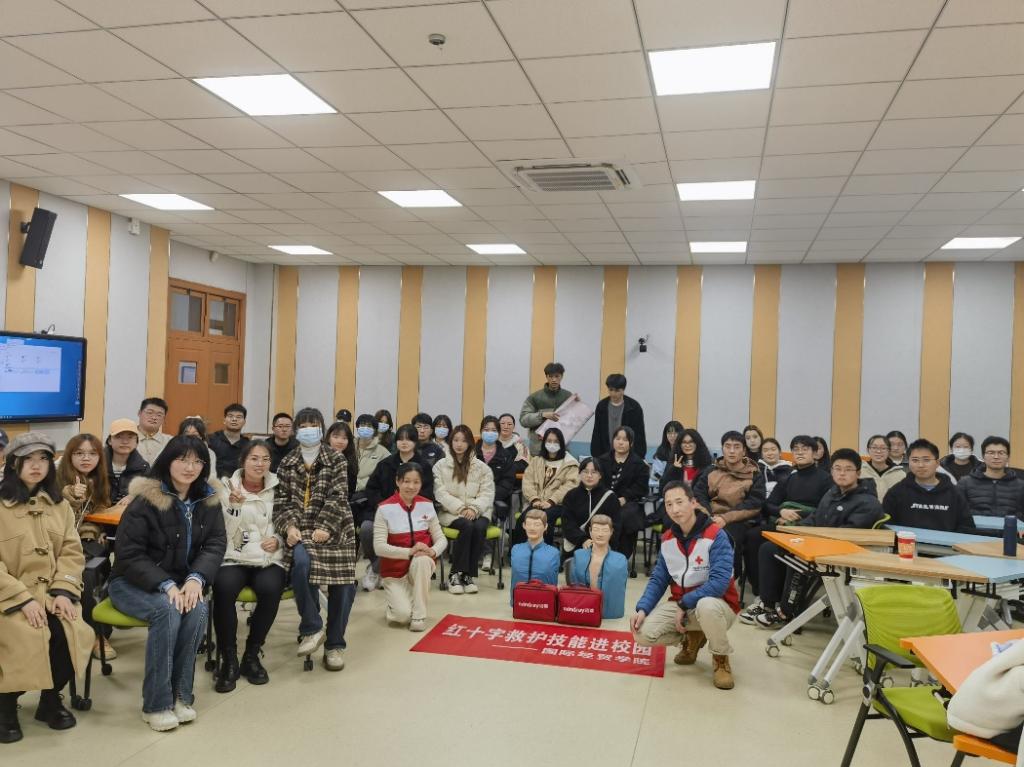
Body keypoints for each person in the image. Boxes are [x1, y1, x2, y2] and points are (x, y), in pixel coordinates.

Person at [108, 435, 226, 732]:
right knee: (167, 609)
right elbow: (129, 554)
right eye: (182, 459)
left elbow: (215, 543)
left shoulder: (208, 499)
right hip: (131, 583)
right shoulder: (146, 500)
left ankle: (181, 697)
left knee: (198, 609)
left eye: (197, 461)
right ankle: (156, 705)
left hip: (182, 582)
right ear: (167, 461)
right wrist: (166, 585)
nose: (190, 467)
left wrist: (197, 578)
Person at [0, 432, 94, 744]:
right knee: (23, 635)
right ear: (13, 464)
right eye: (28, 459)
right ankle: (5, 706)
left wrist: (62, 591)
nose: (36, 465)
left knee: (71, 631)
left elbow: (71, 552)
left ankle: (50, 699)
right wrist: (22, 599)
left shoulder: (59, 506)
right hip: (8, 596)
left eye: (42, 458)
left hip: (51, 593)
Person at [752, 449, 883, 630]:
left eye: (848, 469)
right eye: (837, 469)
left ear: (858, 473)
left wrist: (808, 539)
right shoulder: (832, 493)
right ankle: (767, 604)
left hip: (841, 554)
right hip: (818, 544)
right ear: (832, 471)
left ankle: (786, 612)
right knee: (769, 548)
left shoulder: (868, 502)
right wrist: (795, 531)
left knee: (796, 558)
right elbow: (815, 519)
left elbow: (849, 534)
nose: (842, 473)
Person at [632, 480, 740, 690]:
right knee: (642, 633)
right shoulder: (668, 539)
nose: (675, 509)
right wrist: (643, 608)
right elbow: (658, 579)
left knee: (706, 606)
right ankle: (692, 638)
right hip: (683, 604)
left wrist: (684, 603)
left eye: (679, 502)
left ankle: (720, 657)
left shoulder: (716, 535)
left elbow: (719, 583)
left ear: (693, 503)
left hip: (719, 605)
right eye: (669, 504)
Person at [273, 408, 357, 673]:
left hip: (336, 527)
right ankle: (311, 627)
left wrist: (325, 526)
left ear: (322, 429)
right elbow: (281, 501)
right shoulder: (286, 462)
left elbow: (339, 495)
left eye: (314, 424)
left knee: (343, 586)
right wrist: (289, 527)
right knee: (300, 565)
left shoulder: (336, 459)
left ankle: (335, 645)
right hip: (300, 530)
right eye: (304, 425)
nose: (309, 429)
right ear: (296, 430)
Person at [212, 440, 286, 693]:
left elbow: (290, 519)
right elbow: (223, 532)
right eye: (254, 458)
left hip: (268, 557)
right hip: (235, 555)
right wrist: (234, 506)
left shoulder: (280, 487)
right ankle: (229, 658)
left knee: (271, 588)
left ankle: (252, 654)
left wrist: (279, 539)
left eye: (265, 459)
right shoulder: (226, 488)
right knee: (223, 587)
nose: (259, 464)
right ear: (243, 461)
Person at [739, 435, 832, 625]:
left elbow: (824, 510)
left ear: (815, 453)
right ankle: (762, 594)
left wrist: (798, 516)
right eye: (796, 449)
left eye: (805, 449)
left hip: (807, 528)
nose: (800, 452)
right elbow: (768, 504)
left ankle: (770, 601)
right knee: (753, 536)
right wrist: (782, 511)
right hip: (784, 523)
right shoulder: (791, 477)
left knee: (769, 548)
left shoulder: (825, 479)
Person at [57, 433, 115, 659]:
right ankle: (93, 636)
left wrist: (98, 530)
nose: (86, 458)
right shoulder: (56, 480)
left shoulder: (98, 480)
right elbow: (58, 519)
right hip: (59, 544)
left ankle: (100, 631)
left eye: (92, 453)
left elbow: (99, 510)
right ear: (69, 456)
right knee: (88, 574)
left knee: (106, 567)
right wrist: (71, 496)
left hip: (87, 541)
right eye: (79, 453)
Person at [374, 463, 446, 631]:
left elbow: (441, 539)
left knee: (423, 560)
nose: (411, 486)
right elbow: (379, 547)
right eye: (406, 481)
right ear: (398, 481)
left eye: (416, 482)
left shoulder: (427, 505)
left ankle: (419, 615)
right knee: (401, 616)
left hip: (419, 568)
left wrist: (432, 551)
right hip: (394, 573)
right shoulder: (384, 509)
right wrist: (409, 552)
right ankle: (398, 604)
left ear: (421, 484)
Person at [362, 425, 435, 591]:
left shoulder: (424, 466)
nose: (404, 442)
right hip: (384, 512)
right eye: (400, 439)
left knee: (402, 532)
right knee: (367, 529)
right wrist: (385, 508)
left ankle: (380, 570)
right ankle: (377, 566)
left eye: (409, 439)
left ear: (415, 442)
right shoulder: (385, 464)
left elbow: (427, 493)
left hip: (412, 514)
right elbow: (371, 489)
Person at [692, 430, 766, 594]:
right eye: (728, 446)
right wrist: (709, 516)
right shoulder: (711, 470)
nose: (732, 451)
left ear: (744, 451)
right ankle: (697, 581)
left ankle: (726, 583)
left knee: (727, 537)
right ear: (722, 449)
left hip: (738, 519)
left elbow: (755, 503)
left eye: (736, 447)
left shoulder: (754, 474)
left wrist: (725, 518)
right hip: (710, 516)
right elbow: (698, 494)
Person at [433, 425, 495, 594]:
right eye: (456, 440)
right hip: (451, 512)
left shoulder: (482, 467)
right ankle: (455, 574)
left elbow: (487, 493)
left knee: (479, 527)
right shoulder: (440, 466)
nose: (459, 444)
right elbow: (440, 492)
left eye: (464, 441)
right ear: (451, 442)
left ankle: (467, 575)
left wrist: (474, 509)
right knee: (467, 526)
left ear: (470, 444)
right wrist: (460, 508)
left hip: (478, 511)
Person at [883, 439, 976, 533]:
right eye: (915, 460)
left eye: (926, 460)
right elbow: (886, 526)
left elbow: (967, 527)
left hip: (945, 542)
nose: (920, 465)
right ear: (909, 463)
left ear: (937, 463)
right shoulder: (896, 492)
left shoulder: (954, 494)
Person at [597, 425, 650, 570]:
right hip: (604, 500)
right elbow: (597, 483)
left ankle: (619, 557)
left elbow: (641, 488)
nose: (620, 442)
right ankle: (597, 553)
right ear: (613, 440)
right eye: (618, 438)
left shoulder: (639, 464)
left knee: (624, 516)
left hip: (629, 503)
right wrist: (608, 498)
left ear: (631, 443)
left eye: (625, 440)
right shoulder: (601, 460)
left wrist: (624, 498)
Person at [514, 427, 579, 545]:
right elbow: (528, 481)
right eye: (549, 441)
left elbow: (570, 486)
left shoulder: (570, 463)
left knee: (544, 519)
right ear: (544, 443)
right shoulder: (536, 461)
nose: (552, 444)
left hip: (559, 504)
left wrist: (551, 501)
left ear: (562, 443)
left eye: (556, 441)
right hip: (537, 502)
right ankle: (518, 552)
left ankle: (545, 552)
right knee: (523, 519)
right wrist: (534, 499)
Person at [569, 514, 628, 619]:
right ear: (590, 532)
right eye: (596, 530)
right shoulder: (578, 556)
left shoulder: (620, 560)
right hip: (582, 610)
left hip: (610, 614)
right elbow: (573, 585)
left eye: (605, 530)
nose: (600, 534)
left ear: (611, 532)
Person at [561, 457, 617, 555]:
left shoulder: (610, 497)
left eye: (594, 472)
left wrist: (600, 542)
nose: (589, 475)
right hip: (576, 545)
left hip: (602, 546)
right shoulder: (571, 496)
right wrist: (583, 540)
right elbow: (567, 524)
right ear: (579, 474)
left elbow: (615, 526)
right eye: (585, 472)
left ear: (600, 475)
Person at [958, 436, 1024, 518]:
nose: (996, 457)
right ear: (983, 456)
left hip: (1009, 526)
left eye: (1001, 453)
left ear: (1008, 457)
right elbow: (957, 512)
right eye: (991, 452)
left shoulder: (1021, 486)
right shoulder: (965, 483)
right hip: (974, 526)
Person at [520, 362, 574, 456]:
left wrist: (578, 406)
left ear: (561, 376)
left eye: (557, 376)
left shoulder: (568, 396)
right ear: (546, 377)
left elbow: (574, 421)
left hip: (561, 450)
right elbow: (523, 420)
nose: (554, 379)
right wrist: (542, 415)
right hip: (538, 450)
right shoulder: (535, 397)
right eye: (551, 376)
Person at [591, 373, 647, 459]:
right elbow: (597, 432)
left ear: (623, 390)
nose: (613, 393)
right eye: (611, 390)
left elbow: (639, 434)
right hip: (605, 454)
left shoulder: (634, 407)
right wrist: (596, 455)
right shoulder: (601, 406)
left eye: (617, 390)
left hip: (628, 456)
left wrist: (638, 456)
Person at [509, 509, 560, 596]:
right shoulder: (516, 549)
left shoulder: (553, 553)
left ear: (545, 526)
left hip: (545, 601)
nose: (532, 528)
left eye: (537, 525)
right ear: (524, 525)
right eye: (529, 524)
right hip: (519, 601)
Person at [105, 418, 150, 505]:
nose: (125, 442)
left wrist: (134, 497)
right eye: (119, 437)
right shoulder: (98, 463)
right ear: (110, 440)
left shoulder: (143, 467)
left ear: (136, 442)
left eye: (130, 437)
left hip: (130, 512)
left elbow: (150, 491)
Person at [208, 403, 251, 479]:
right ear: (224, 420)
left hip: (239, 482)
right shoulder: (211, 439)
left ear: (244, 422)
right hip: (214, 482)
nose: (234, 419)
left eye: (239, 417)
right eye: (230, 416)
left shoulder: (248, 445)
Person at [861, 434, 906, 501]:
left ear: (889, 451)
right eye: (874, 447)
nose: (878, 451)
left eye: (883, 448)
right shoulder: (860, 472)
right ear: (868, 450)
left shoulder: (900, 475)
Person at [354, 414, 391, 492]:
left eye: (369, 426)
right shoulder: (349, 447)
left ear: (374, 430)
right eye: (362, 425)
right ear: (357, 427)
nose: (365, 428)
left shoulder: (383, 452)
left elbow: (383, 477)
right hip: (346, 489)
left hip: (367, 492)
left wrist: (358, 485)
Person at [325, 421, 358, 497]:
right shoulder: (320, 458)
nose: (340, 441)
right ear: (328, 438)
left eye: (344, 438)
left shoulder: (350, 462)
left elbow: (350, 491)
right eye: (335, 437)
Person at [136, 397, 171, 465]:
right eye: (150, 413)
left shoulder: (170, 442)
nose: (154, 417)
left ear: (164, 419)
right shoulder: (127, 439)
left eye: (159, 415)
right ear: (139, 413)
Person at [651, 421, 684, 486]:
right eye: (669, 433)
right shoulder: (661, 451)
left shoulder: (685, 450)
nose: (672, 436)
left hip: (682, 486)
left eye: (676, 433)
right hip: (665, 485)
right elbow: (655, 476)